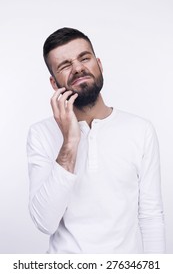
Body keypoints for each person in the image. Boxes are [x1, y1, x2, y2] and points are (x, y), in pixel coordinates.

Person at [27, 27, 165, 253]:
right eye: (65, 65)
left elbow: (151, 216)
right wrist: (70, 142)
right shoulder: (40, 133)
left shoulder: (140, 130)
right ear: (54, 84)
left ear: (99, 64)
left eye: (84, 58)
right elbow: (45, 222)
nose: (78, 68)